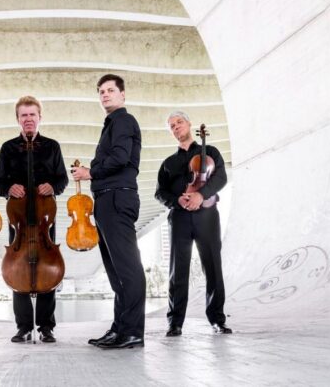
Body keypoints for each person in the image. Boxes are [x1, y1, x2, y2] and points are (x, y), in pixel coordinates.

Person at [72, 74, 146, 349]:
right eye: (101, 91)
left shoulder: (124, 121)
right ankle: (120, 329)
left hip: (117, 198)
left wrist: (90, 172)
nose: (105, 94)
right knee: (116, 273)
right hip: (108, 199)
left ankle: (133, 332)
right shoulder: (113, 124)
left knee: (127, 269)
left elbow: (120, 157)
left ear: (122, 95)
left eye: (110, 90)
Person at [0, 96, 68, 343]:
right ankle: (23, 327)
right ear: (18, 119)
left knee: (48, 267)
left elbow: (63, 180)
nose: (28, 119)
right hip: (19, 220)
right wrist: (9, 188)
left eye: (32, 114)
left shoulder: (52, 146)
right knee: (18, 269)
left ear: (39, 117)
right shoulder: (7, 148)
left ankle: (46, 327)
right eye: (23, 115)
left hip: (45, 219)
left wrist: (52, 186)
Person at [154, 111, 232, 336]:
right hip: (179, 217)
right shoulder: (168, 163)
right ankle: (175, 323)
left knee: (213, 267)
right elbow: (160, 193)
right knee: (177, 271)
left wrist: (201, 194)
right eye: (172, 126)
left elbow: (220, 178)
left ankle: (217, 320)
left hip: (207, 215)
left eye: (179, 122)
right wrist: (176, 200)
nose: (176, 127)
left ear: (189, 124)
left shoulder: (211, 152)